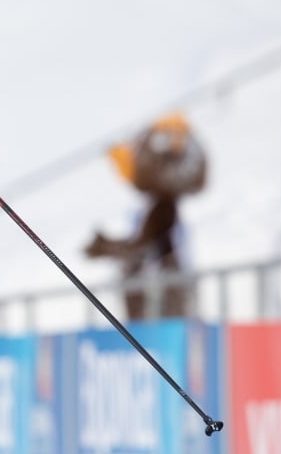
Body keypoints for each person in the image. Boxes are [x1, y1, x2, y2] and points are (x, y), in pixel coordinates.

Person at [84, 112, 207, 320]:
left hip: (164, 299)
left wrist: (106, 247)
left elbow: (143, 247)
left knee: (163, 344)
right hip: (157, 296)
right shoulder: (153, 205)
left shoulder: (163, 205)